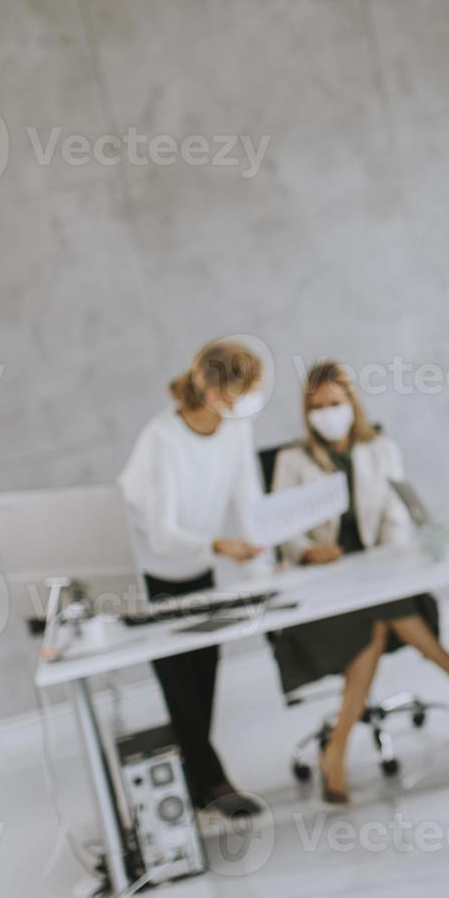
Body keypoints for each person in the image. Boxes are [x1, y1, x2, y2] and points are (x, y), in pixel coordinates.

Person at [270, 360, 449, 803]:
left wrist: (383, 562)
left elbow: (398, 523)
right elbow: (283, 532)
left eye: (335, 403)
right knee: (374, 620)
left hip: (379, 581)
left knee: (375, 619)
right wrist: (306, 551)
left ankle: (335, 750)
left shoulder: (381, 449)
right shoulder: (292, 460)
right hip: (323, 596)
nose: (328, 413)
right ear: (307, 413)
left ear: (352, 404)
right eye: (317, 407)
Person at [118, 338, 268, 819]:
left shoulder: (236, 429)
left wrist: (263, 562)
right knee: (180, 688)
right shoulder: (163, 437)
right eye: (234, 389)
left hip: (198, 566)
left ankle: (201, 783)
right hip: (149, 575)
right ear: (207, 385)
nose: (240, 401)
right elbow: (162, 535)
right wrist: (220, 545)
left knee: (204, 678)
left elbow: (248, 500)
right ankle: (212, 783)